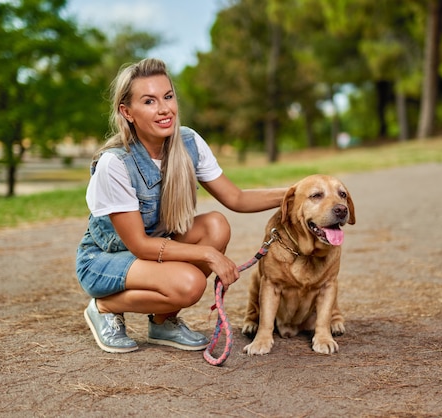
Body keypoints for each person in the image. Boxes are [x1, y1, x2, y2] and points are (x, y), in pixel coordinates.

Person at [76, 58, 287, 353]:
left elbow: (236, 198)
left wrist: (298, 193)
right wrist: (207, 255)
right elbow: (139, 245)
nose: (164, 109)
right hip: (104, 261)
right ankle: (104, 307)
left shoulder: (188, 143)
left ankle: (163, 321)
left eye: (168, 96)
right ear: (127, 112)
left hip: (152, 250)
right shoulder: (115, 163)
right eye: (149, 101)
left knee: (216, 224)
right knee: (189, 284)